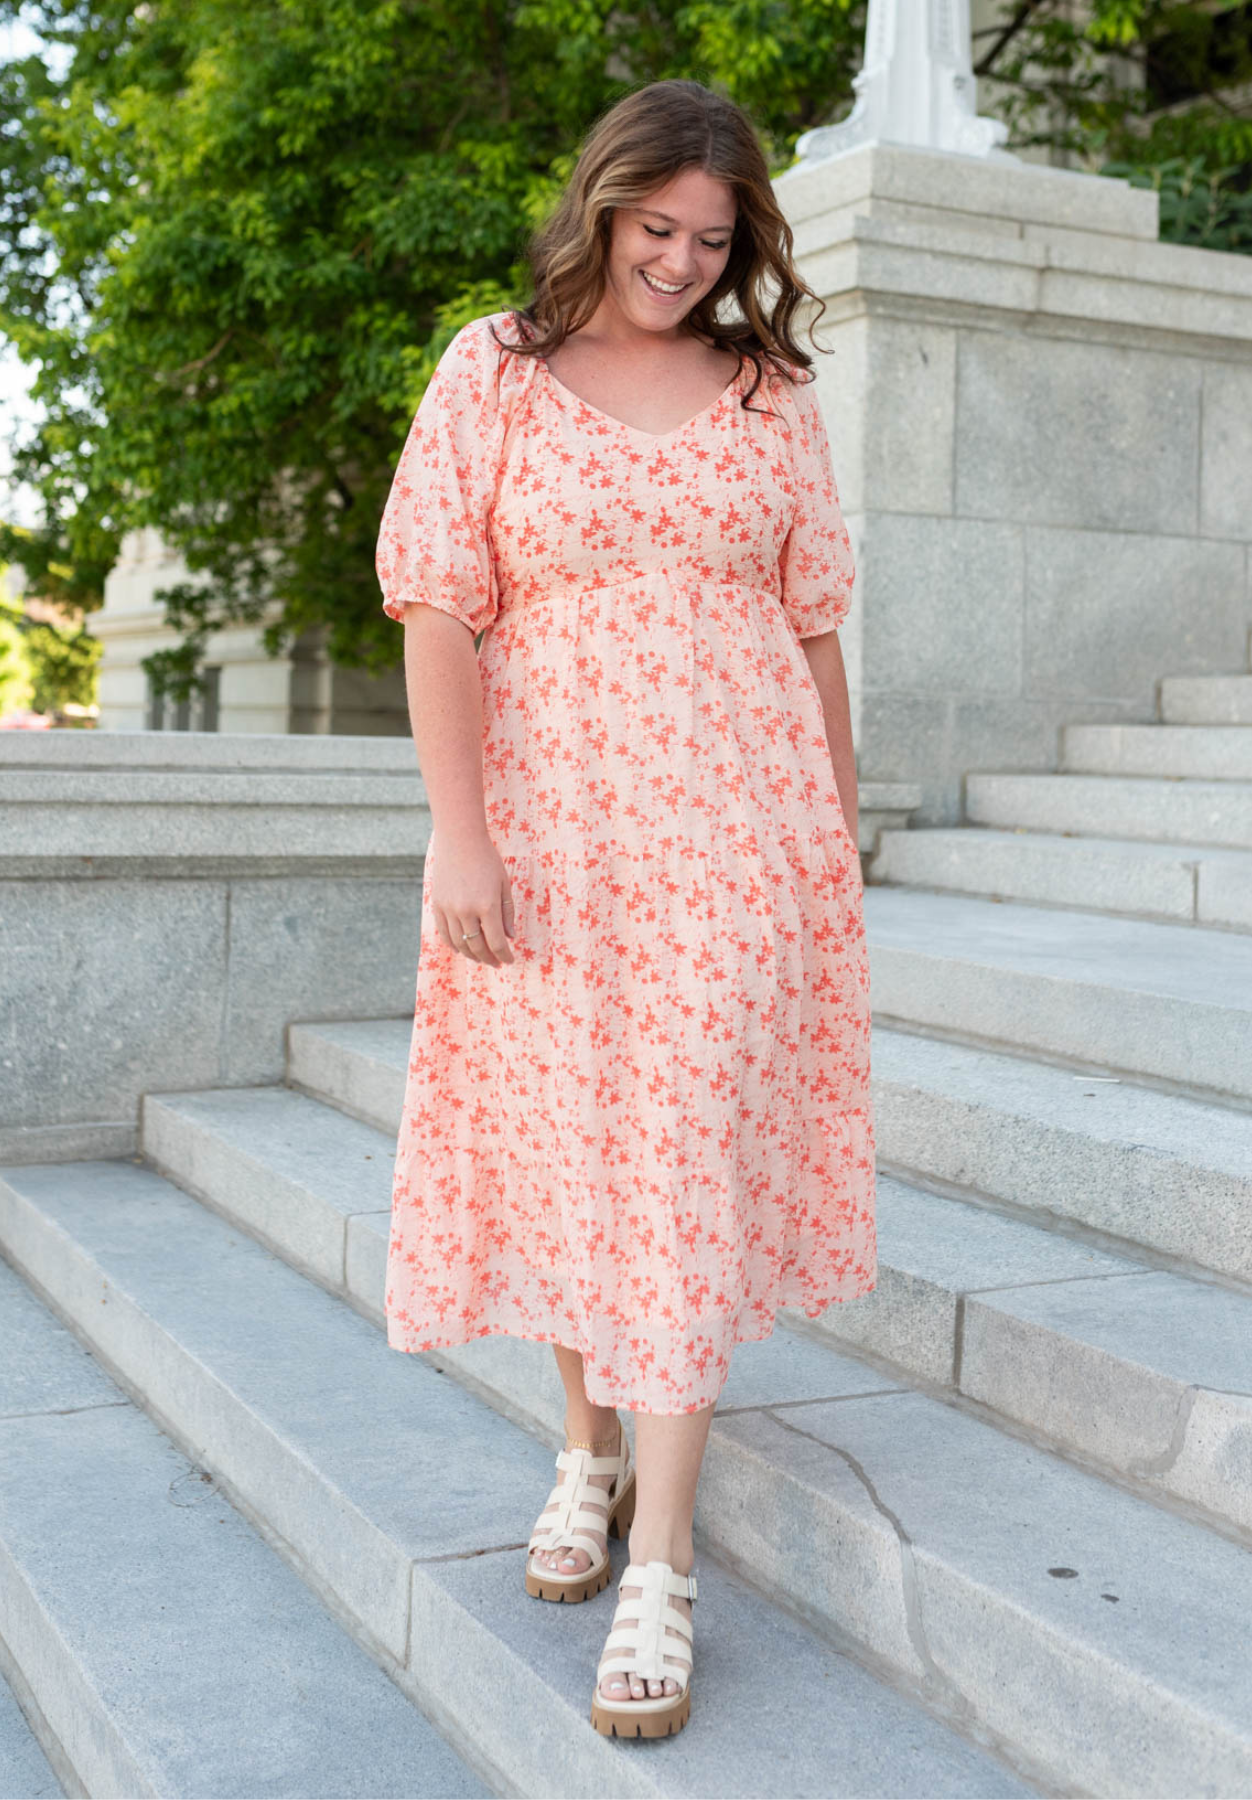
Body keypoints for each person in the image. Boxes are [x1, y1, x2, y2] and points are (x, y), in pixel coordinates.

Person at [375, 76, 877, 1740]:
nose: (678, 261)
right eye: (655, 228)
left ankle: (660, 1559)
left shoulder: (767, 388)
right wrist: (461, 838)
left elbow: (810, 629)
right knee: (580, 1149)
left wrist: (835, 839)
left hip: (736, 848)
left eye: (711, 239)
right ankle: (582, 1453)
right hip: (549, 836)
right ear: (599, 206)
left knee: (682, 1165)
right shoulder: (491, 374)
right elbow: (439, 609)